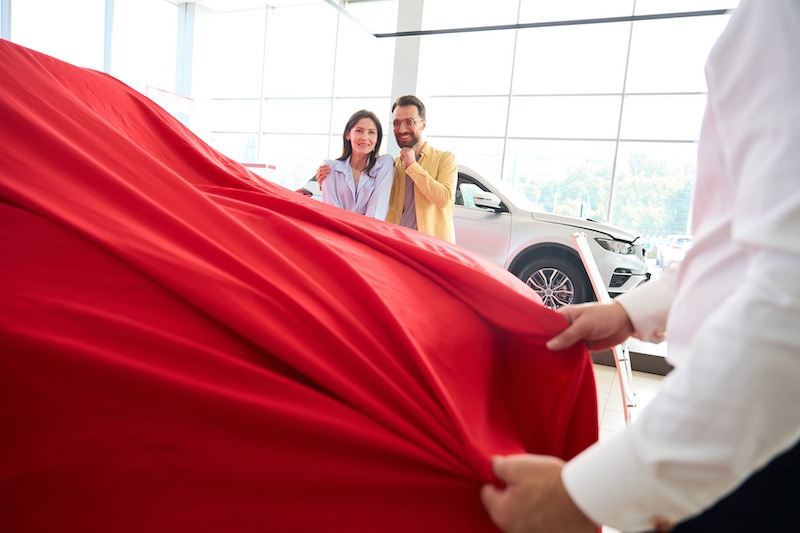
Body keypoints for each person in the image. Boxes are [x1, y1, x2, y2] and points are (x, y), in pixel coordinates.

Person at [480, 0, 800, 531]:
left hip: (760, 429)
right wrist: (631, 312)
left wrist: (584, 495)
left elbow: (788, 296)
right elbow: (740, 241)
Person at [385, 94, 458, 243]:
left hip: (433, 250)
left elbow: (443, 199)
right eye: (396, 123)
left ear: (423, 125)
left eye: (409, 122)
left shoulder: (445, 159)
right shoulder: (394, 164)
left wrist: (413, 166)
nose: (402, 129)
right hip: (399, 246)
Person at [313, 109, 394, 220]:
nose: (365, 138)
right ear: (348, 134)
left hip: (368, 234)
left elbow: (376, 212)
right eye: (359, 131)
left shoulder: (384, 164)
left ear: (377, 139)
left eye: (371, 132)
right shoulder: (330, 168)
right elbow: (331, 213)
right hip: (336, 233)